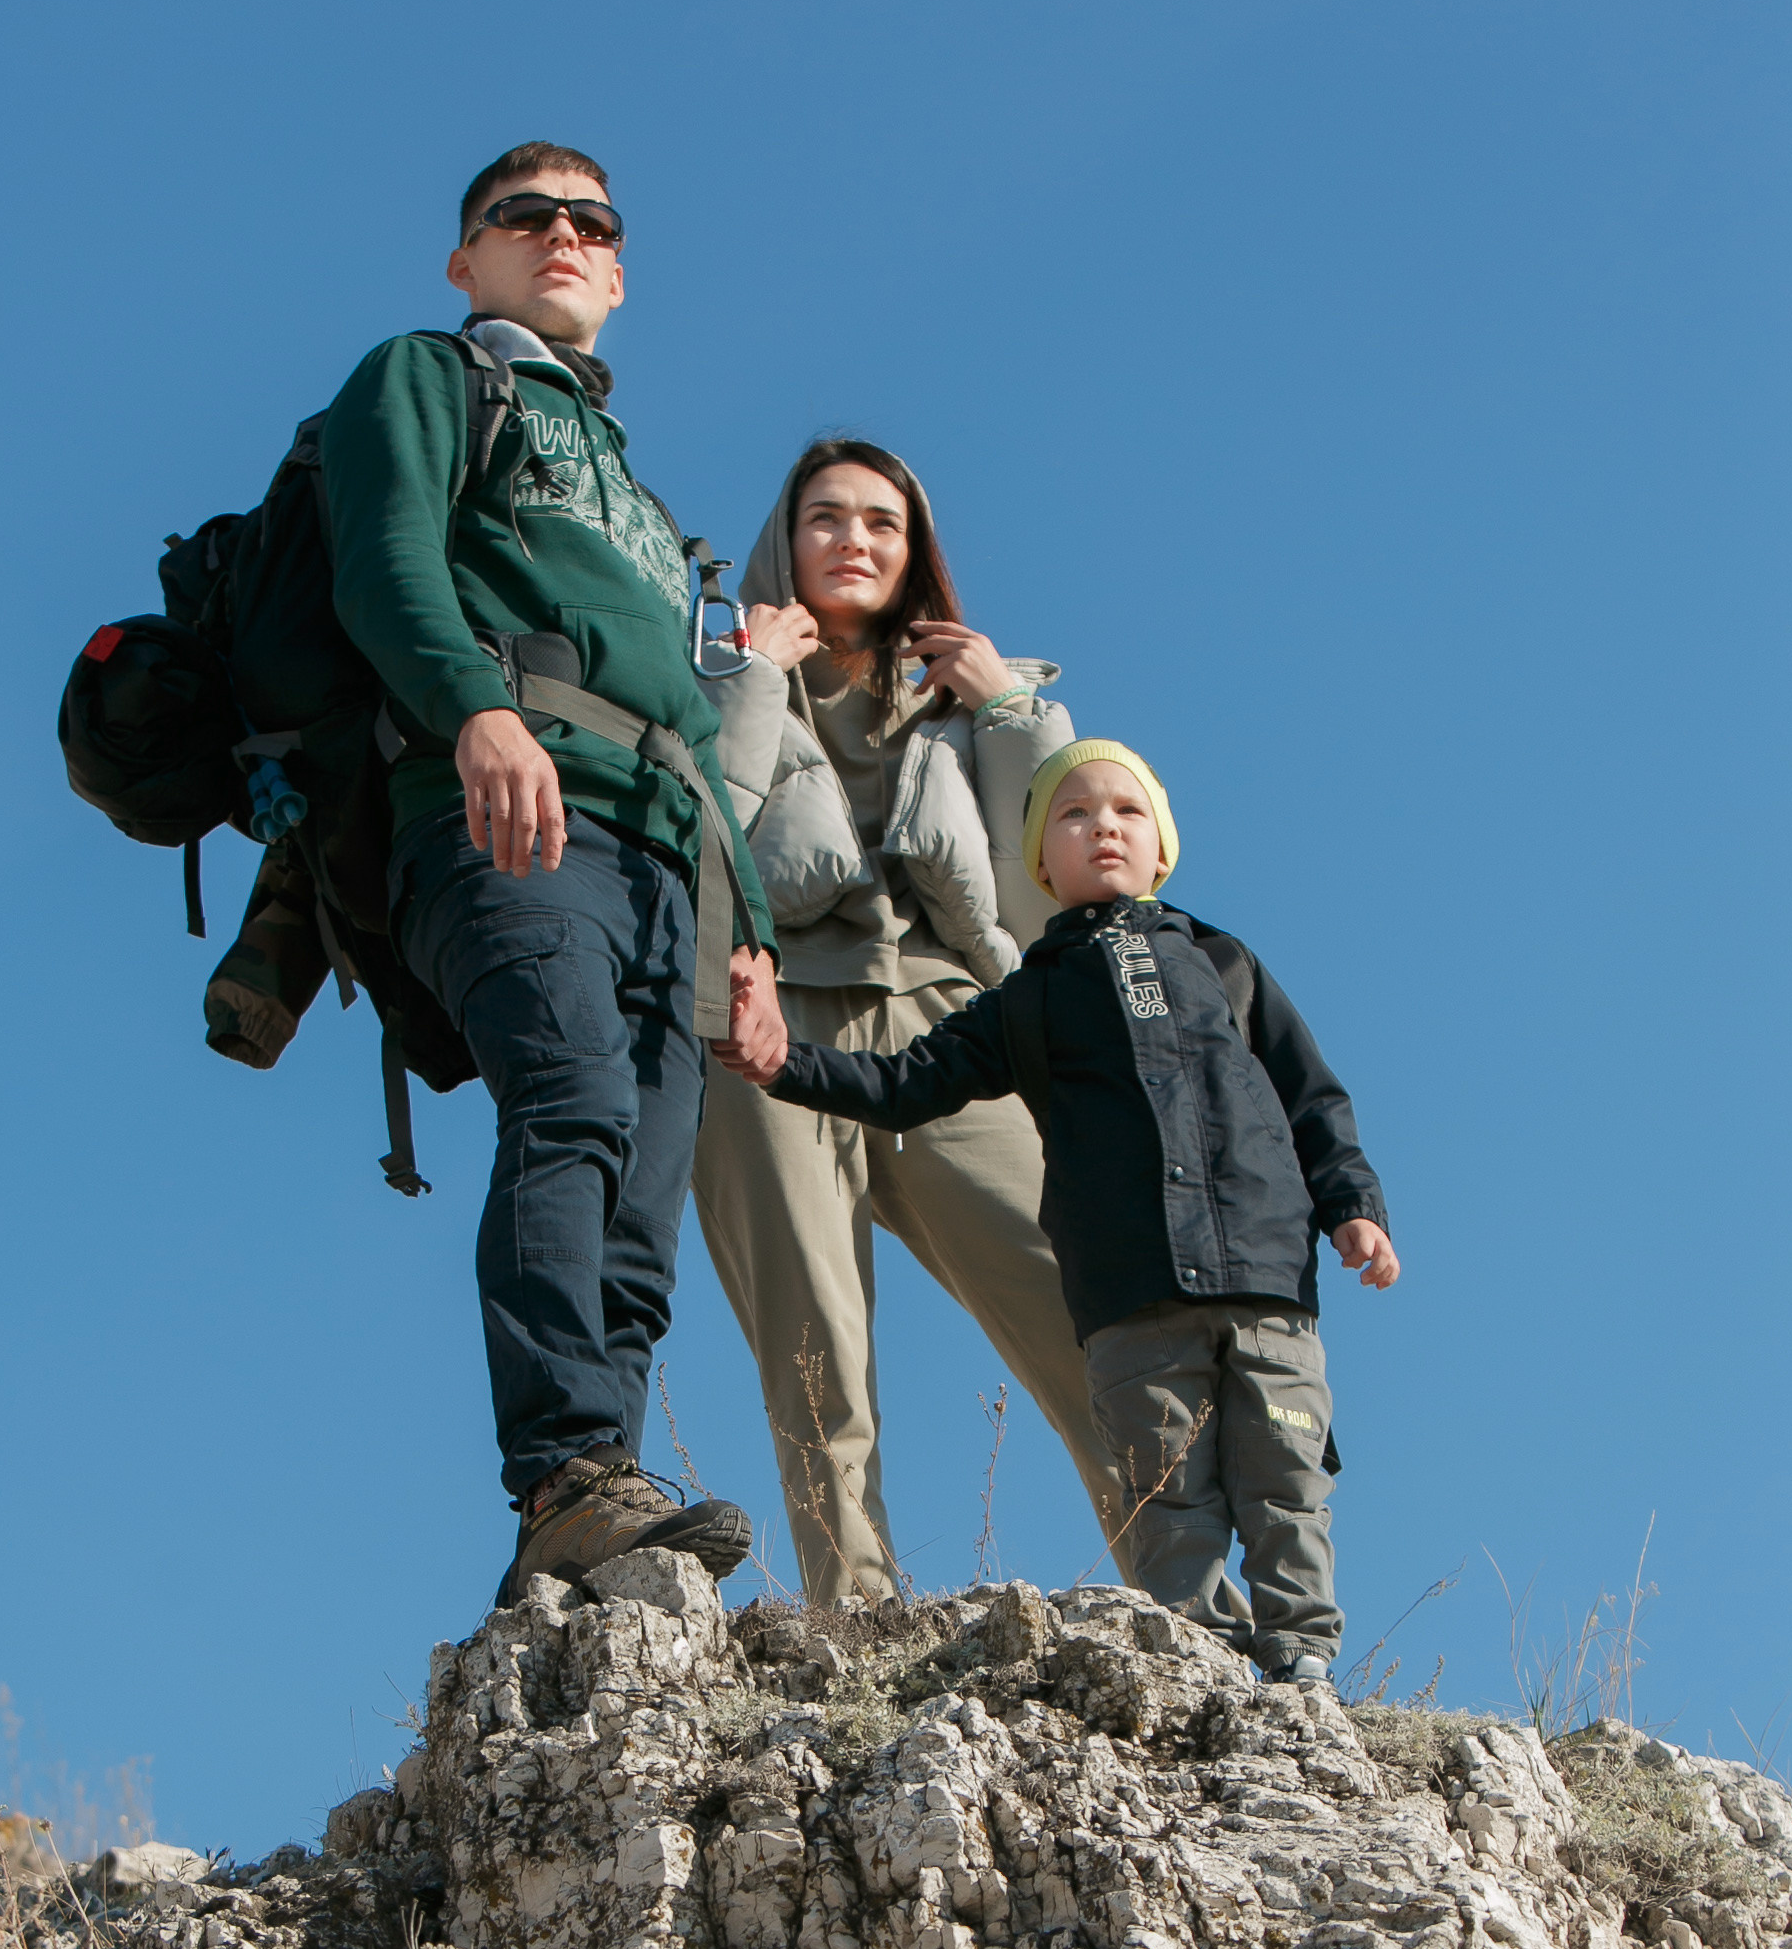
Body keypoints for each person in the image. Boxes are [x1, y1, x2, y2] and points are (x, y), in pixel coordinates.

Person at [320, 141, 791, 1603]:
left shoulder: (643, 497)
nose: (562, 236)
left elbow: (695, 729)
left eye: (592, 222)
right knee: (572, 1104)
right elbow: (384, 558)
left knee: (645, 1192)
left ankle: (593, 1520)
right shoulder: (424, 375)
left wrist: (751, 931)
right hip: (506, 815)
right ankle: (568, 1469)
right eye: (524, 219)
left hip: (672, 858)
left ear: (621, 268)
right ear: (468, 260)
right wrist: (475, 711)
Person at [726, 743, 1398, 1684]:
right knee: (1168, 1498)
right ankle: (1205, 1673)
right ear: (1040, 865)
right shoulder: (1028, 997)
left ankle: (1303, 1669)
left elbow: (1309, 1095)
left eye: (1127, 810)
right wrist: (785, 1062)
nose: (1103, 827)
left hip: (1265, 1281)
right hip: (1131, 1302)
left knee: (1286, 1483)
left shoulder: (1225, 964)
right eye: (1073, 816)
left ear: (1161, 846)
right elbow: (907, 1083)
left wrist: (1351, 1205)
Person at [693, 440, 1127, 1602]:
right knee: (812, 1339)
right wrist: (744, 676)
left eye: (881, 523)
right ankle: (856, 1610)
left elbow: (1050, 886)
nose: (853, 540)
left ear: (912, 551)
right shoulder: (709, 664)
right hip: (763, 1019)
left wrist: (1016, 713)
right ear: (781, 539)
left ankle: (1191, 1585)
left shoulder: (973, 697)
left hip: (948, 1019)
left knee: (1083, 1295)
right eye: (824, 517)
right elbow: (696, 842)